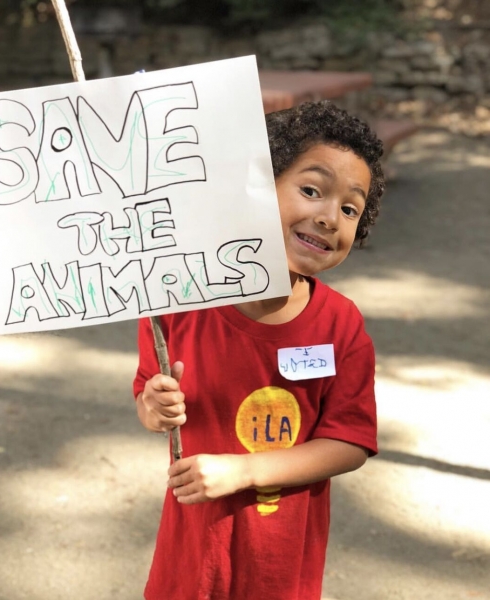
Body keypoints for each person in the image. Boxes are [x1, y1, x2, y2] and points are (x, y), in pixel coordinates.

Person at [133, 100, 385, 600]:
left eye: (350, 208)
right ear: (256, 188)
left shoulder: (342, 325)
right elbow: (146, 395)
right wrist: (153, 407)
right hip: (191, 556)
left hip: (278, 564)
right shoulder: (175, 303)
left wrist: (244, 471)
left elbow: (351, 442)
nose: (329, 217)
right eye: (311, 190)